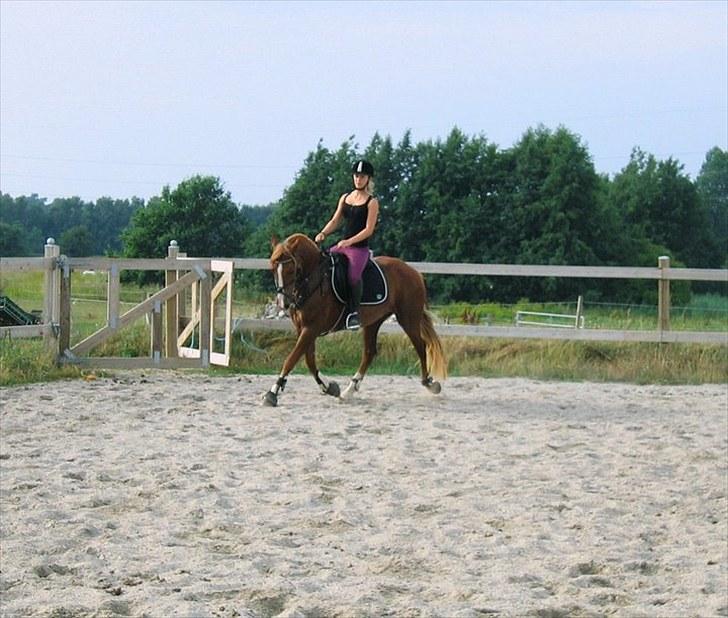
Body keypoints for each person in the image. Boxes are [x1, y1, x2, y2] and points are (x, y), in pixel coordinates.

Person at [315, 160, 380, 330]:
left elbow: (368, 230)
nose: (358, 179)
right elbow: (336, 220)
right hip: (343, 246)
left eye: (362, 176)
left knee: (353, 277)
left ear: (368, 179)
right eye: (356, 176)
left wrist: (350, 241)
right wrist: (323, 233)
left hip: (359, 250)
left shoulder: (371, 202)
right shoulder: (345, 198)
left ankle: (353, 313)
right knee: (323, 264)